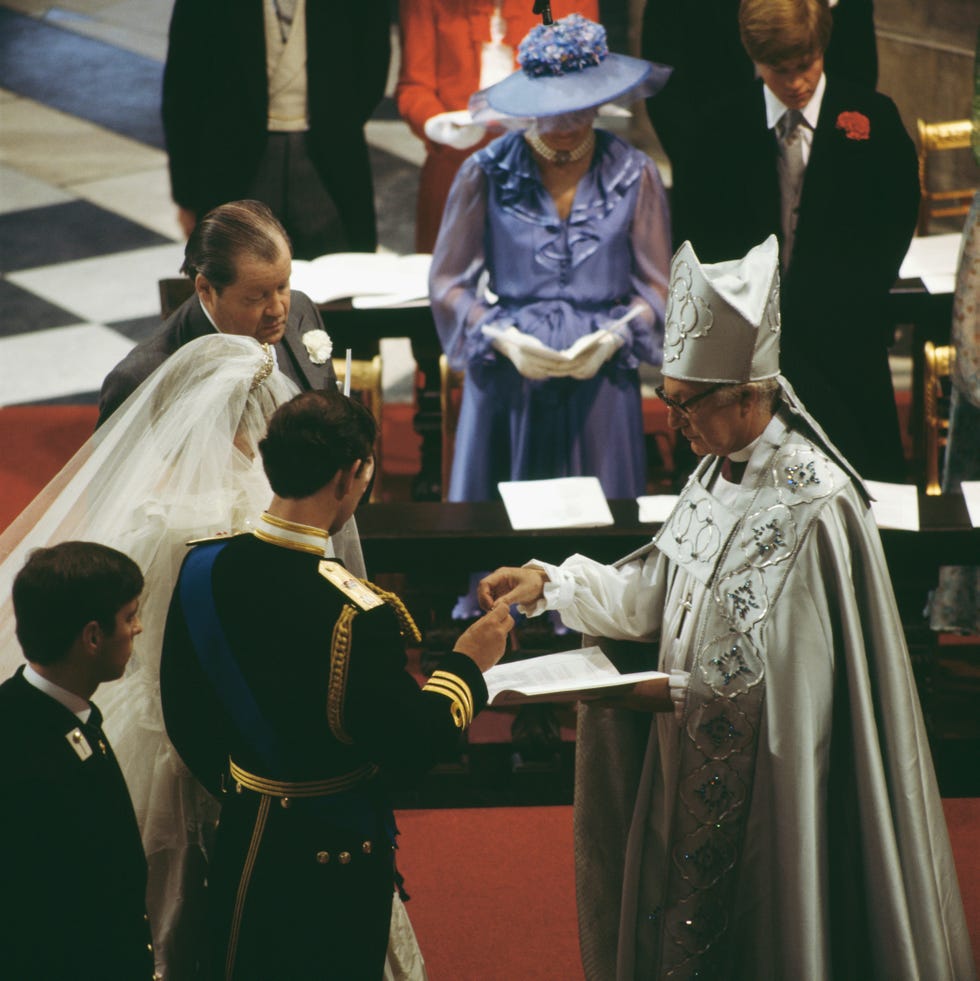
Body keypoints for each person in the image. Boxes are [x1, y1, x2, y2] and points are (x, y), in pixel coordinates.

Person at [478, 236, 976, 980]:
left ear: (748, 394)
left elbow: (797, 701)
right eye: (668, 401)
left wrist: (667, 692)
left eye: (685, 405)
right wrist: (550, 583)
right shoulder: (718, 469)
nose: (673, 423)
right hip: (690, 758)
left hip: (778, 796)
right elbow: (657, 590)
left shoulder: (814, 504)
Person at [0, 334, 397, 978]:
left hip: (190, 736)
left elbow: (157, 654)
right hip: (277, 762)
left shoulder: (164, 523)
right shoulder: (279, 526)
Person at [160, 388, 514, 980]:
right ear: (350, 475)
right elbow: (412, 747)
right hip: (335, 851)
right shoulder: (357, 611)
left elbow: (184, 714)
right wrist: (467, 664)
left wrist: (248, 783)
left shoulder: (201, 566)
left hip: (245, 831)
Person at [670, 0, 919, 483]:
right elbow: (699, 239)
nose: (795, 82)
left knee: (858, 476)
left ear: (822, 48)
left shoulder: (872, 117)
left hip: (845, 335)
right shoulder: (716, 129)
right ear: (753, 59)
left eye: (805, 65)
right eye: (777, 70)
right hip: (749, 350)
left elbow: (893, 221)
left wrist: (844, 298)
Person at [429, 13, 673, 503]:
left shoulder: (633, 173)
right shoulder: (487, 171)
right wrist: (499, 336)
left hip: (600, 379)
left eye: (580, 108)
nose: (565, 124)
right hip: (510, 378)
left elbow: (659, 287)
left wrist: (616, 335)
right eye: (552, 109)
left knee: (598, 532)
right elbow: (447, 283)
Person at [0, 542, 157, 980]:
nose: (138, 628)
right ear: (92, 637)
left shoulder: (63, 714)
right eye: (129, 616)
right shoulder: (18, 746)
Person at [162, 1, 389, 258]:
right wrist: (186, 195)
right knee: (237, 279)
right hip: (232, 155)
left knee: (339, 274)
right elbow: (183, 93)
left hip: (330, 151)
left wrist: (336, 122)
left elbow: (372, 66)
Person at [98, 200, 338, 427]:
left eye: (282, 286)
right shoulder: (138, 381)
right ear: (205, 289)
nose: (277, 309)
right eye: (256, 297)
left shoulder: (300, 310)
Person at [396, 0, 598, 252]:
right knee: (450, 277)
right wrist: (435, 123)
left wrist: (551, 118)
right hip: (457, 166)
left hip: (545, 169)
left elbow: (587, 82)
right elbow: (414, 85)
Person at [641, 0, 878, 166]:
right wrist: (697, 158)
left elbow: (858, 72)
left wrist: (837, 156)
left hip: (824, 159)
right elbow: (661, 80)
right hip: (715, 160)